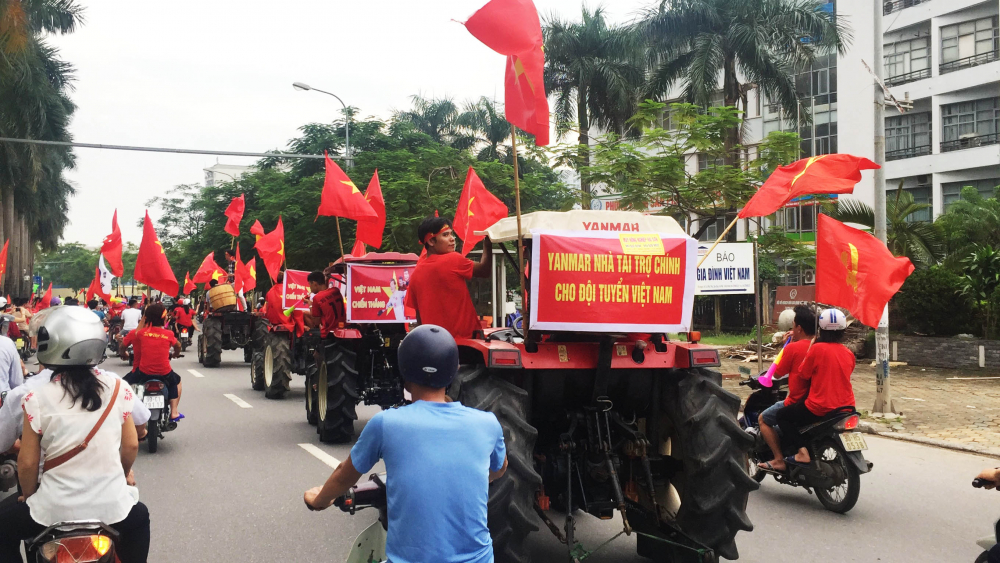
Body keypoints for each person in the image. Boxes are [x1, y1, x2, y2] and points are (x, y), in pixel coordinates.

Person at [303, 325, 507, 563]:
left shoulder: (385, 423)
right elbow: (498, 469)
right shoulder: (487, 424)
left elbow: (343, 477)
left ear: (405, 375)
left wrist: (320, 500)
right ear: (453, 372)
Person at [0, 306, 150, 563]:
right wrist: (123, 477)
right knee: (140, 519)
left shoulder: (34, 396)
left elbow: (26, 463)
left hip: (51, 510)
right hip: (112, 508)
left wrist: (29, 495)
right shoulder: (117, 389)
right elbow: (131, 447)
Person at [774, 308, 856, 468]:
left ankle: (802, 453)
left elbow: (803, 374)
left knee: (782, 416)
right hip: (847, 407)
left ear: (821, 329)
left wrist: (813, 346)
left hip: (820, 407)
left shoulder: (817, 349)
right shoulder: (848, 353)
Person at [404, 216, 492, 339]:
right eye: (445, 235)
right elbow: (484, 271)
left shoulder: (416, 273)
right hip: (466, 342)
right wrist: (488, 244)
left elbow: (419, 318)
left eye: (451, 234)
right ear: (431, 241)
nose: (452, 239)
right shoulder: (453, 259)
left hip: (435, 344)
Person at [757, 305, 817, 472]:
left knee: (763, 419)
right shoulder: (820, 345)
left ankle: (778, 459)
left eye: (793, 325)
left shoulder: (792, 348)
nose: (791, 329)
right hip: (819, 399)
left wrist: (786, 346)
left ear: (799, 328)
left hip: (796, 400)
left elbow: (778, 373)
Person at [121, 304, 184, 422]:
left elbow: (136, 333)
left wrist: (144, 318)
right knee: (175, 382)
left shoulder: (142, 333)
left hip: (144, 372)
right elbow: (178, 346)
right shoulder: (169, 334)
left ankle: (125, 413)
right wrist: (176, 353)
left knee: (123, 386)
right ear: (164, 318)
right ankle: (174, 412)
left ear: (146, 318)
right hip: (164, 372)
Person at [302, 271, 345, 338]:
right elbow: (326, 292)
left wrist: (310, 305)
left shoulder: (317, 298)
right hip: (343, 326)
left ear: (314, 283)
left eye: (310, 284)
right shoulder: (336, 290)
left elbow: (316, 322)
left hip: (328, 331)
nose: (309, 287)